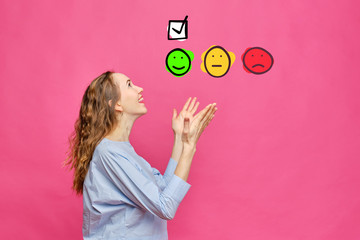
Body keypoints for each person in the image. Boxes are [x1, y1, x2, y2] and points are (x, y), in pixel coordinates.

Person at [64, 71, 217, 239]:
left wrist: (180, 138)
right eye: (129, 85)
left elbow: (164, 190)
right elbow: (165, 207)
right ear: (116, 104)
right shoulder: (109, 153)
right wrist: (189, 146)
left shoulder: (123, 152)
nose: (140, 89)